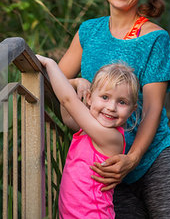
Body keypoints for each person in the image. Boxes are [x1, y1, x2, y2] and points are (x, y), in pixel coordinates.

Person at [57, 0, 170, 218]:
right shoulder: (89, 31)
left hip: (154, 159)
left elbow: (153, 109)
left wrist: (132, 159)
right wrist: (76, 83)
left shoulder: (155, 38)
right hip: (105, 167)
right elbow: (57, 80)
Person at [37, 55, 139, 218]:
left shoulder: (112, 138)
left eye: (122, 102)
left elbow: (68, 100)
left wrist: (50, 63)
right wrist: (76, 82)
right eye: (105, 97)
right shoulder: (90, 128)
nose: (111, 107)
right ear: (90, 98)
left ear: (132, 110)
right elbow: (68, 116)